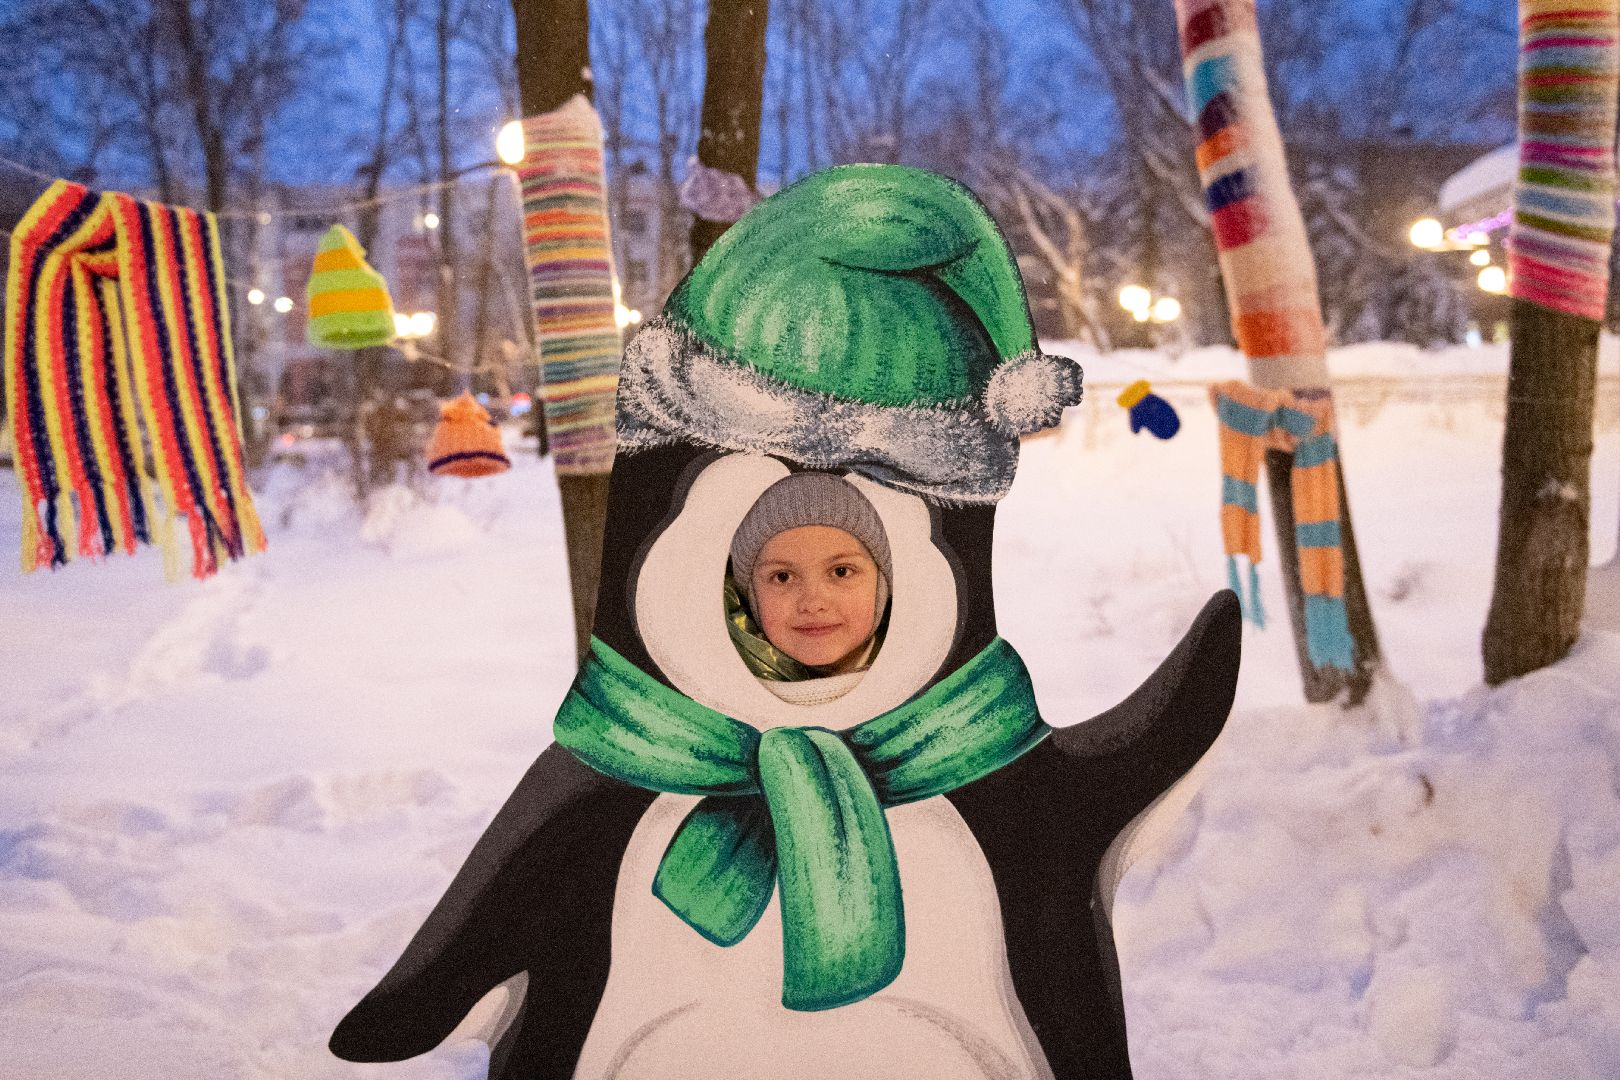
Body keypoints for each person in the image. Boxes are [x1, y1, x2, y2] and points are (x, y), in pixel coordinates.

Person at [725, 473, 892, 704]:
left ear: (881, 584)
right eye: (782, 577)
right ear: (752, 594)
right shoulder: (717, 687)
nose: (813, 604)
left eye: (841, 572)